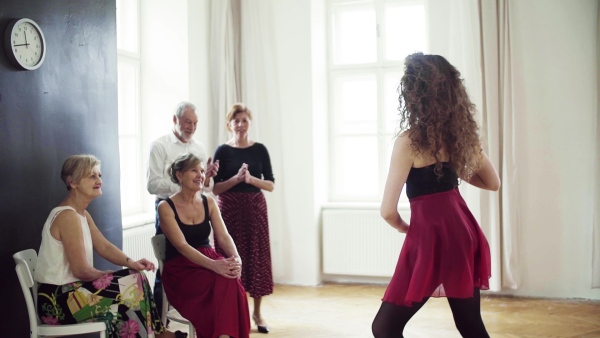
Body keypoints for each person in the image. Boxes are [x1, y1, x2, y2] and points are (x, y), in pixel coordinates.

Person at [371, 53, 501, 338]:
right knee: (469, 323)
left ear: (412, 93)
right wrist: (456, 165)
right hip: (462, 232)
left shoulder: (408, 142)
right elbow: (493, 183)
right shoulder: (456, 137)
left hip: (430, 237)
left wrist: (409, 230)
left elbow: (387, 211)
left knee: (384, 327)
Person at [34, 154, 187, 338]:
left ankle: (158, 332)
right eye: (92, 176)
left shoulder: (81, 214)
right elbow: (81, 270)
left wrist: (131, 263)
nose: (99, 180)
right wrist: (108, 276)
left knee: (133, 282)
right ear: (72, 182)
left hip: (71, 294)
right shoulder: (68, 217)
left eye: (99, 175)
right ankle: (159, 333)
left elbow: (104, 247)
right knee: (131, 284)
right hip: (56, 303)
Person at [158, 153, 250, 338]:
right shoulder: (165, 207)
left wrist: (237, 258)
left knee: (231, 277)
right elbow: (182, 246)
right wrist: (215, 265)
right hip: (181, 268)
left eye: (202, 170)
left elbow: (223, 236)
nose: (200, 175)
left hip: (209, 258)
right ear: (179, 175)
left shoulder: (209, 201)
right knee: (223, 281)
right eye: (194, 170)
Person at [146, 101, 219, 316]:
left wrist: (206, 179)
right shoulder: (159, 145)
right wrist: (181, 184)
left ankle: (201, 312)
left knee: (202, 265)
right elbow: (152, 185)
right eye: (188, 122)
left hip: (195, 208)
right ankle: (161, 321)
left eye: (196, 123)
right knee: (168, 263)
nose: (192, 127)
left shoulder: (199, 147)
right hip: (168, 209)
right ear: (175, 120)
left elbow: (205, 187)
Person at [212, 103, 275, 334]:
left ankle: (257, 313)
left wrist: (250, 180)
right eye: (236, 120)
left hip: (255, 210)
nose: (240, 125)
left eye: (244, 120)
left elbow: (270, 184)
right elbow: (215, 189)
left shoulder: (260, 150)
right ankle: (234, 312)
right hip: (228, 212)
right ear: (229, 124)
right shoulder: (222, 151)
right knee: (229, 258)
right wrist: (237, 179)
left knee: (256, 257)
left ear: (250, 123)